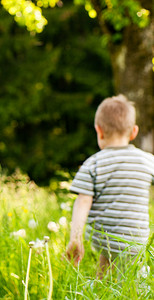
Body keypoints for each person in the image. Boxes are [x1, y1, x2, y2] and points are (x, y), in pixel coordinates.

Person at [65, 95, 154, 277]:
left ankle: (101, 290)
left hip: (104, 240)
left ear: (99, 131)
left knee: (107, 263)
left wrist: (75, 237)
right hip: (137, 240)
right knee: (132, 278)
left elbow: (82, 201)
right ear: (134, 132)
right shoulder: (147, 161)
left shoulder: (93, 164)